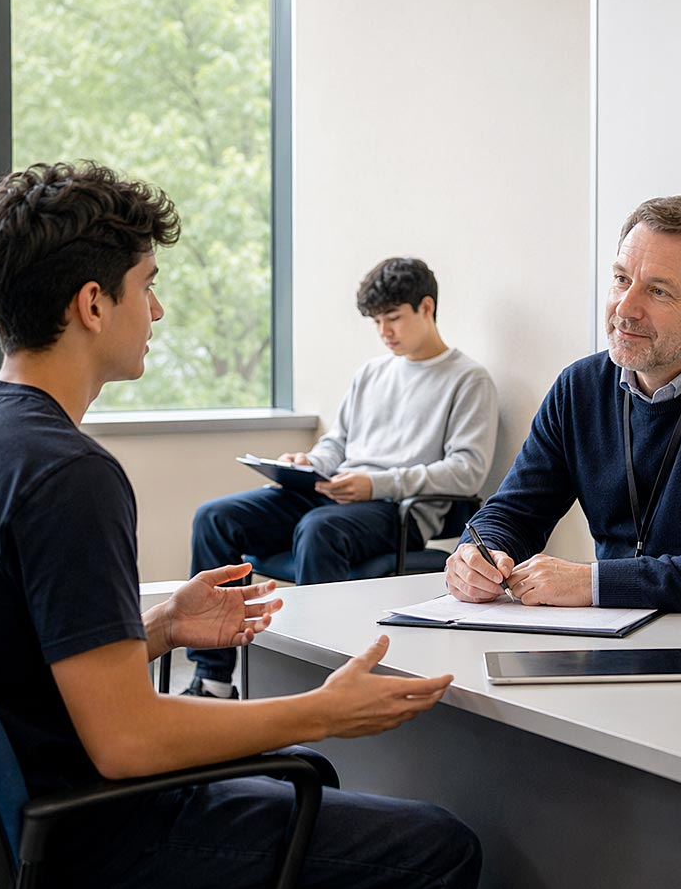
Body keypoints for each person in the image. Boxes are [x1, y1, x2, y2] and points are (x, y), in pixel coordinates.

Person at [0, 162, 481, 889]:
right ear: (92, 303)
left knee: (278, 770)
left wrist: (152, 627)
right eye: (149, 286)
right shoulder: (68, 473)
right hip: (78, 843)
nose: (159, 310)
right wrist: (328, 710)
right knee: (434, 852)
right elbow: (129, 744)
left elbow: (5, 659)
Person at [446, 193, 681, 614]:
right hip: (619, 633)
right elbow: (514, 513)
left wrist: (595, 582)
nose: (624, 309)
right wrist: (478, 555)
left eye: (658, 291)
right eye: (622, 279)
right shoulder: (580, 387)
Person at [187, 255, 498, 697]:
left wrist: (376, 484)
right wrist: (310, 462)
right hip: (334, 492)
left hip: (393, 510)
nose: (384, 332)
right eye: (376, 322)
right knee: (215, 517)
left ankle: (322, 689)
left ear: (426, 308)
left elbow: (467, 472)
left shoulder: (468, 380)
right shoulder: (371, 373)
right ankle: (214, 680)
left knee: (319, 529)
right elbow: (339, 442)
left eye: (393, 318)